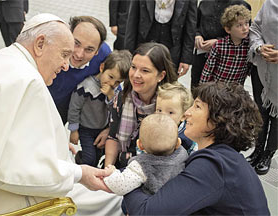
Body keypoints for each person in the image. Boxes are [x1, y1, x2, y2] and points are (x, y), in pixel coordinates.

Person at [0, 13, 122, 216]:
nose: (66, 64)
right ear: (40, 44)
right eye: (64, 54)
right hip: (17, 199)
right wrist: (79, 173)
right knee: (115, 201)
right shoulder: (27, 80)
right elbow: (5, 168)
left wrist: (56, 143)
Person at [123, 82, 270, 215]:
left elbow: (146, 212)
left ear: (217, 120)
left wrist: (127, 181)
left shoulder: (212, 165)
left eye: (197, 106)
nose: (187, 112)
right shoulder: (225, 159)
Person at [104, 42, 178, 168]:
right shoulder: (122, 98)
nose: (136, 75)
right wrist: (108, 168)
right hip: (121, 167)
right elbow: (113, 137)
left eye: (145, 70)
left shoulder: (170, 105)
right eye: (133, 67)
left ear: (161, 75)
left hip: (153, 171)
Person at [68, 50, 132, 167]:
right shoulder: (86, 87)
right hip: (86, 129)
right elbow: (74, 108)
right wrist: (74, 130)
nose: (112, 83)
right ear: (102, 67)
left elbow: (117, 111)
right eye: (111, 77)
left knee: (97, 157)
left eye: (118, 82)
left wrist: (110, 95)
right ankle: (79, 161)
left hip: (102, 129)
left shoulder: (116, 91)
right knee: (89, 159)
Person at [48, 16, 111, 127]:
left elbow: (114, 85)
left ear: (97, 51)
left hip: (65, 109)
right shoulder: (50, 47)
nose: (79, 54)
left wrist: (109, 129)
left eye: (89, 49)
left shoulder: (104, 56)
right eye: (76, 43)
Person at [104, 114, 188, 196]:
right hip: (177, 201)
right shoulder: (183, 155)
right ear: (178, 143)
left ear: (140, 145)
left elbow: (120, 186)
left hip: (151, 205)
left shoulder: (141, 166)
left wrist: (112, 173)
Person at [124, 0, 197, 77]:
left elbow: (190, 28)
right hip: (144, 43)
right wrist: (128, 53)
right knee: (140, 78)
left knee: (167, 83)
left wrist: (186, 59)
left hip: (172, 48)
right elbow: (132, 22)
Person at [246, 0, 278, 175]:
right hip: (264, 69)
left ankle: (268, 154)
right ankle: (257, 150)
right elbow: (255, 29)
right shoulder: (270, 3)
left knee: (277, 117)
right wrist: (259, 47)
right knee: (260, 112)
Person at [190, 0, 251, 90]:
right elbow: (194, 24)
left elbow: (247, 32)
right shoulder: (204, 3)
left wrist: (218, 41)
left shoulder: (242, 5)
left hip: (227, 56)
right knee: (197, 86)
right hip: (201, 54)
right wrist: (197, 35)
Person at [156, 81, 197, 154]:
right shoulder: (152, 126)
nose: (163, 116)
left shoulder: (186, 137)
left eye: (170, 112)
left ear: (183, 116)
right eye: (159, 110)